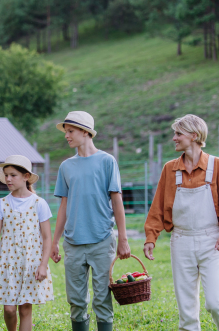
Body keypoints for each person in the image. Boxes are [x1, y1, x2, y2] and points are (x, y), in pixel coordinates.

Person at [143, 114, 219, 331]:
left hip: (211, 241)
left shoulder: (217, 165)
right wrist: (151, 237)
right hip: (181, 241)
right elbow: (158, 206)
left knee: (215, 302)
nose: (174, 138)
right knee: (186, 311)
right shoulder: (170, 169)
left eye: (178, 134)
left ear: (194, 136)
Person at [50, 111, 131, 331]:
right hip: (73, 243)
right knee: (76, 301)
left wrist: (122, 238)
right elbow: (64, 207)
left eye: (70, 131)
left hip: (102, 240)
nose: (66, 136)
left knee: (103, 298)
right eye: (66, 132)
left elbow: (117, 201)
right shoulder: (66, 167)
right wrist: (55, 241)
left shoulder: (107, 161)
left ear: (85, 132)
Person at [0, 155, 54, 331]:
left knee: (25, 309)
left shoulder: (39, 203)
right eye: (6, 175)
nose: (8, 179)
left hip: (31, 263)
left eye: (13, 175)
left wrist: (43, 265)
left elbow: (47, 238)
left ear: (26, 176)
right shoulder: (2, 203)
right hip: (9, 263)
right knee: (8, 310)